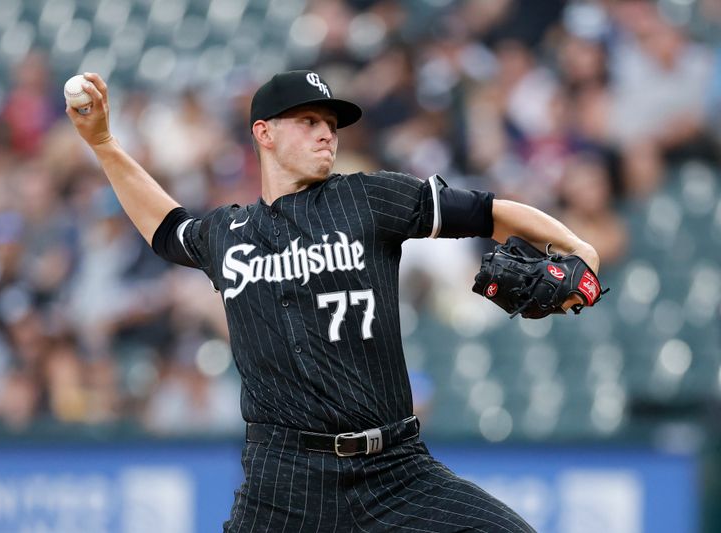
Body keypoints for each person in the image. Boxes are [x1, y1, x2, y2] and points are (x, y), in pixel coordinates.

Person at [67, 70, 599, 532]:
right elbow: (166, 228)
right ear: (264, 133)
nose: (327, 133)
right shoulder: (230, 234)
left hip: (395, 468)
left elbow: (489, 211)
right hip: (284, 483)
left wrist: (577, 246)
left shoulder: (368, 198)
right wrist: (105, 144)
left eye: (331, 124)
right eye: (309, 121)